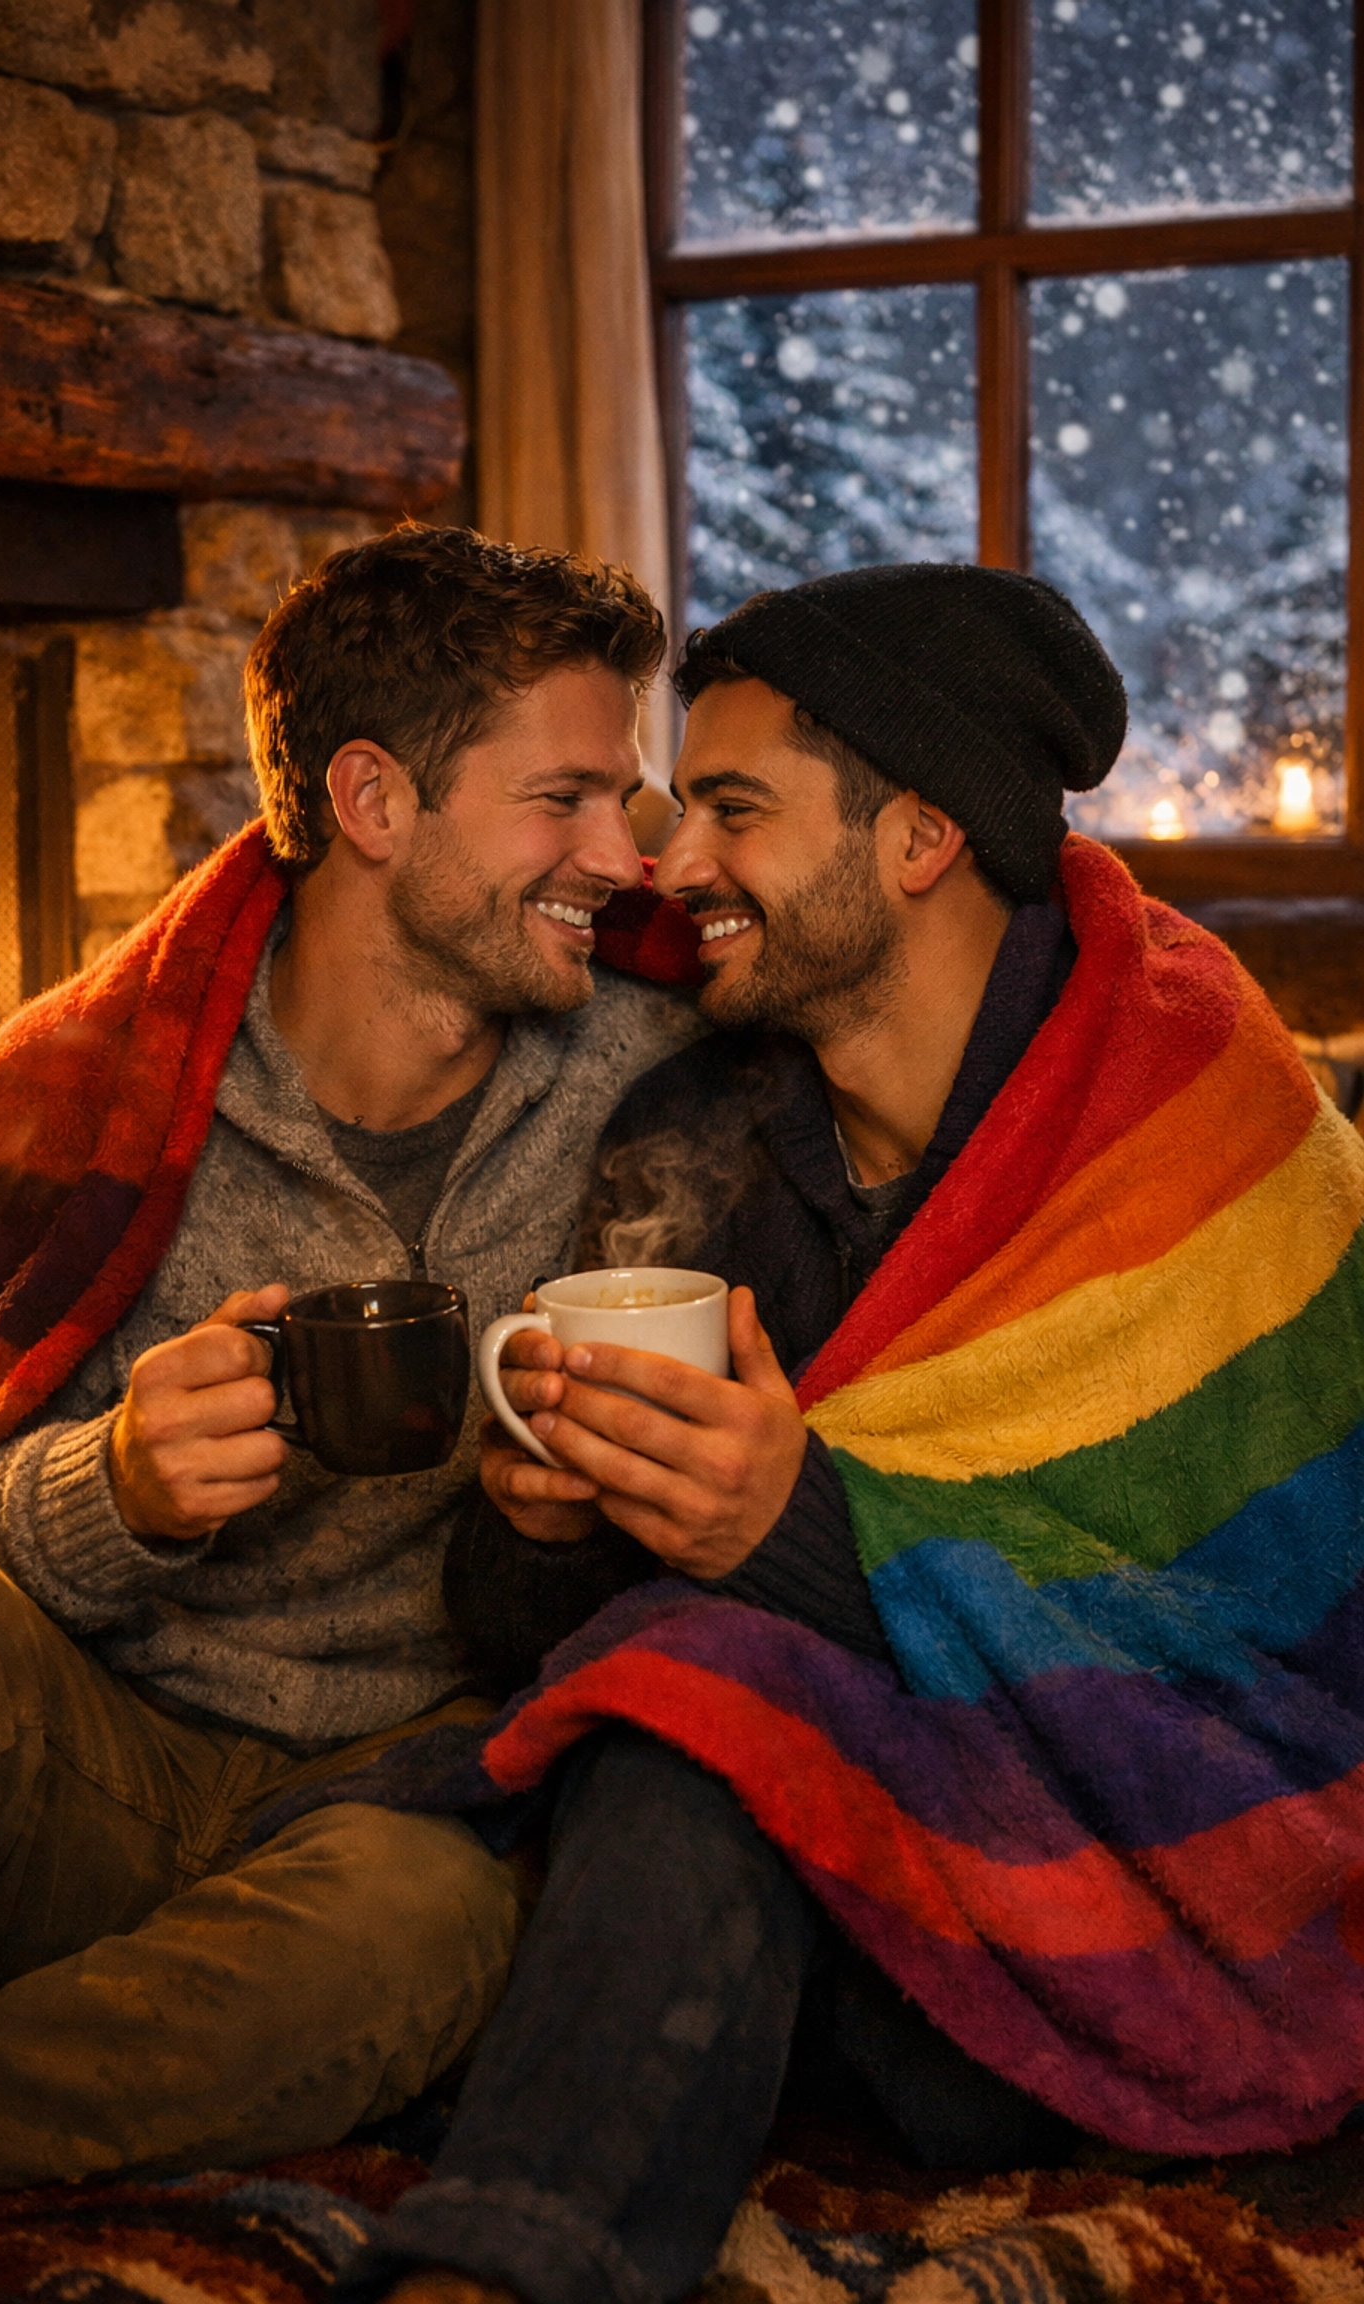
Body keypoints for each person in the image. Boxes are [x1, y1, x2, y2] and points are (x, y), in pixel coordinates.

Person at [304, 564, 1364, 2304]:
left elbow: (1262, 1659)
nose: (668, 868)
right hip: (842, 1900)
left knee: (713, 1686)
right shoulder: (693, 1137)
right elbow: (524, 1639)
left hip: (1171, 1901)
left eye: (731, 810)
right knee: (676, 1711)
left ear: (921, 837)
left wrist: (793, 1530)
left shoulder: (1204, 1139)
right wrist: (547, 1523)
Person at [0, 526, 703, 2302]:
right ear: (374, 800)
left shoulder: (649, 1068)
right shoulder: (87, 1083)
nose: (627, 857)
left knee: (439, 1927)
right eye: (566, 799)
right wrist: (115, 1489)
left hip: (398, 1796)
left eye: (629, 795)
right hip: (96, 1760)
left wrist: (575, 1505)